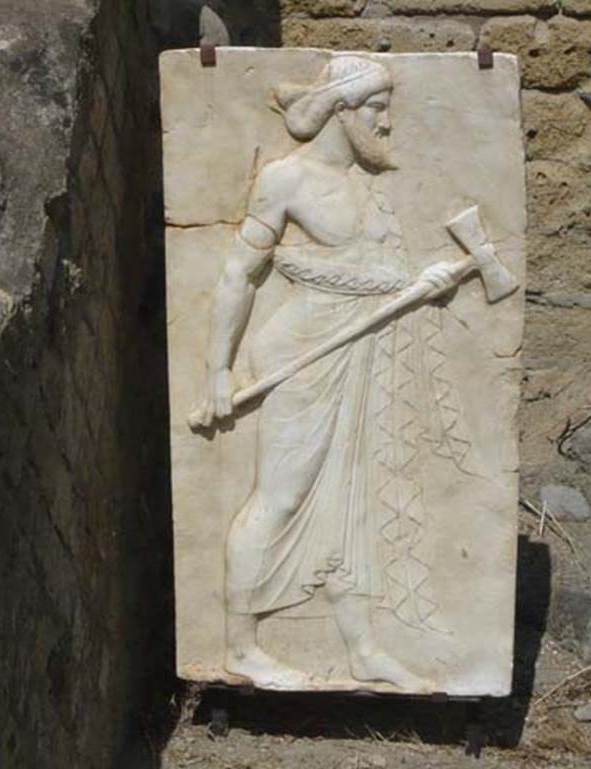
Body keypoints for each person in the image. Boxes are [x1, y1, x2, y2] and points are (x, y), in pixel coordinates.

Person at [190, 56, 464, 690]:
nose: (388, 124)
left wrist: (427, 281)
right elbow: (238, 275)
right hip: (304, 352)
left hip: (357, 350)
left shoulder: (371, 187)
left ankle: (363, 649)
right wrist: (217, 371)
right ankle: (238, 647)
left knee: (352, 503)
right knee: (280, 497)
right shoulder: (286, 179)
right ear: (342, 109)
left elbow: (379, 275)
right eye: (376, 109)